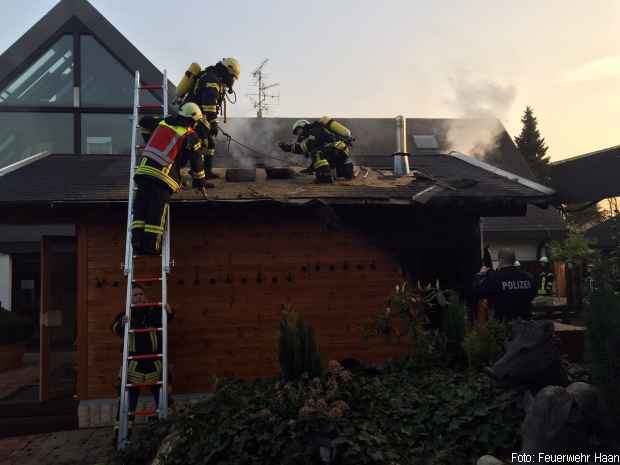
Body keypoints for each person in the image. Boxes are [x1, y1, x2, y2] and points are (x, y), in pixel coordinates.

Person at [131, 102, 209, 255]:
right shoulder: (190, 135)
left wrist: (151, 141)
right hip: (163, 176)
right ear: (193, 120)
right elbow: (197, 165)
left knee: (141, 207)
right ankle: (151, 247)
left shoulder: (163, 122)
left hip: (144, 171)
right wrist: (200, 183)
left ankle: (137, 242)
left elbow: (144, 122)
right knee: (156, 210)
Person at [112, 284, 174, 440]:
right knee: (127, 400)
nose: (138, 297)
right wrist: (122, 323)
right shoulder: (125, 315)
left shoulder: (154, 312)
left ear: (145, 296)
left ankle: (167, 430)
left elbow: (168, 318)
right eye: (135, 295)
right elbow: (115, 328)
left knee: (165, 396)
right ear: (130, 299)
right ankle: (122, 434)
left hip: (155, 363)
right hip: (133, 367)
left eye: (140, 294)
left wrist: (169, 311)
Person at [181, 58, 241, 179]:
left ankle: (206, 172)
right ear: (227, 71)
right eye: (233, 77)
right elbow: (209, 105)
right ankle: (198, 176)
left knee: (210, 145)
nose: (232, 80)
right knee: (202, 145)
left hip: (200, 116)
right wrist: (213, 123)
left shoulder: (214, 78)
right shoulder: (212, 80)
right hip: (193, 117)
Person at [277, 118, 355, 184]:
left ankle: (324, 178)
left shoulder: (314, 130)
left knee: (317, 153)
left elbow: (306, 147)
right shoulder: (315, 132)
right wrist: (310, 168)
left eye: (298, 131)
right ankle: (346, 172)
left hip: (337, 148)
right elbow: (311, 148)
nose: (299, 134)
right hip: (339, 151)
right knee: (318, 155)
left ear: (303, 126)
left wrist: (288, 148)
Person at [473, 248, 537, 321]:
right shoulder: (528, 277)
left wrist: (480, 275)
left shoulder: (494, 278)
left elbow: (478, 292)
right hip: (525, 324)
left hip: (504, 326)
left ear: (500, 260)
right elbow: (533, 294)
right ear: (514, 260)